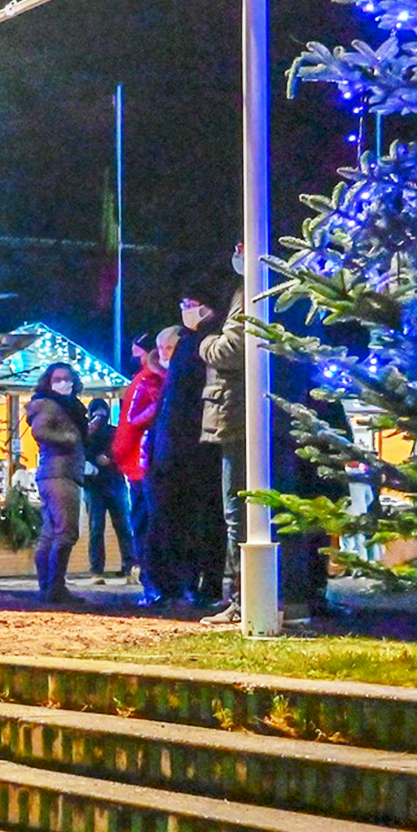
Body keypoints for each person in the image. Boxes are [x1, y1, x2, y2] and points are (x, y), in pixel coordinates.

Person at [141, 306, 225, 606]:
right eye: (161, 347)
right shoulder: (152, 380)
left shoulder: (191, 361)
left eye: (170, 347)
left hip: (185, 456)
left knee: (192, 523)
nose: (164, 352)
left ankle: (187, 584)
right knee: (165, 524)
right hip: (165, 460)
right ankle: (165, 584)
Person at [198, 241, 250, 621]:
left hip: (238, 418)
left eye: (242, 244)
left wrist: (205, 343)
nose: (235, 251)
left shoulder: (248, 292)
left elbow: (231, 349)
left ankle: (243, 601)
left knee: (239, 514)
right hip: (247, 417)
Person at [25, 361, 87, 605]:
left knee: (51, 533)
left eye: (67, 378)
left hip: (55, 472)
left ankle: (48, 587)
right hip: (60, 473)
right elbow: (41, 432)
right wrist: (69, 439)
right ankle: (55, 587)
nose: (64, 383)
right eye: (58, 379)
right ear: (49, 382)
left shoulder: (60, 406)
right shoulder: (51, 405)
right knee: (66, 532)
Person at [111, 333, 166, 547]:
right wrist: (162, 405)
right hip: (143, 458)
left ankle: (146, 566)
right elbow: (134, 418)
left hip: (139, 459)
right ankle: (149, 567)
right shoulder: (148, 379)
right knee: (148, 517)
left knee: (143, 516)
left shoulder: (144, 378)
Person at [82, 396, 136, 584]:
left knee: (120, 527)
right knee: (102, 528)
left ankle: (127, 569)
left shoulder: (110, 432)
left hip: (109, 482)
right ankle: (100, 571)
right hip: (103, 484)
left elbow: (122, 449)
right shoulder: (87, 434)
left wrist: (109, 457)